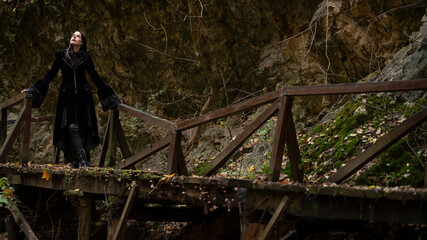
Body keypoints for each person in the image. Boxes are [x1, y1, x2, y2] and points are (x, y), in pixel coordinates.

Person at [21, 30, 120, 168]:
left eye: (78, 36)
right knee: (72, 127)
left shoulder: (86, 58)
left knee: (82, 127)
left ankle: (75, 161)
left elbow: (95, 76)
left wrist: (110, 97)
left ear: (82, 42)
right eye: (73, 35)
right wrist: (32, 89)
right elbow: (49, 76)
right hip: (67, 98)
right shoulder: (62, 56)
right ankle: (83, 160)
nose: (74, 37)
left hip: (84, 98)